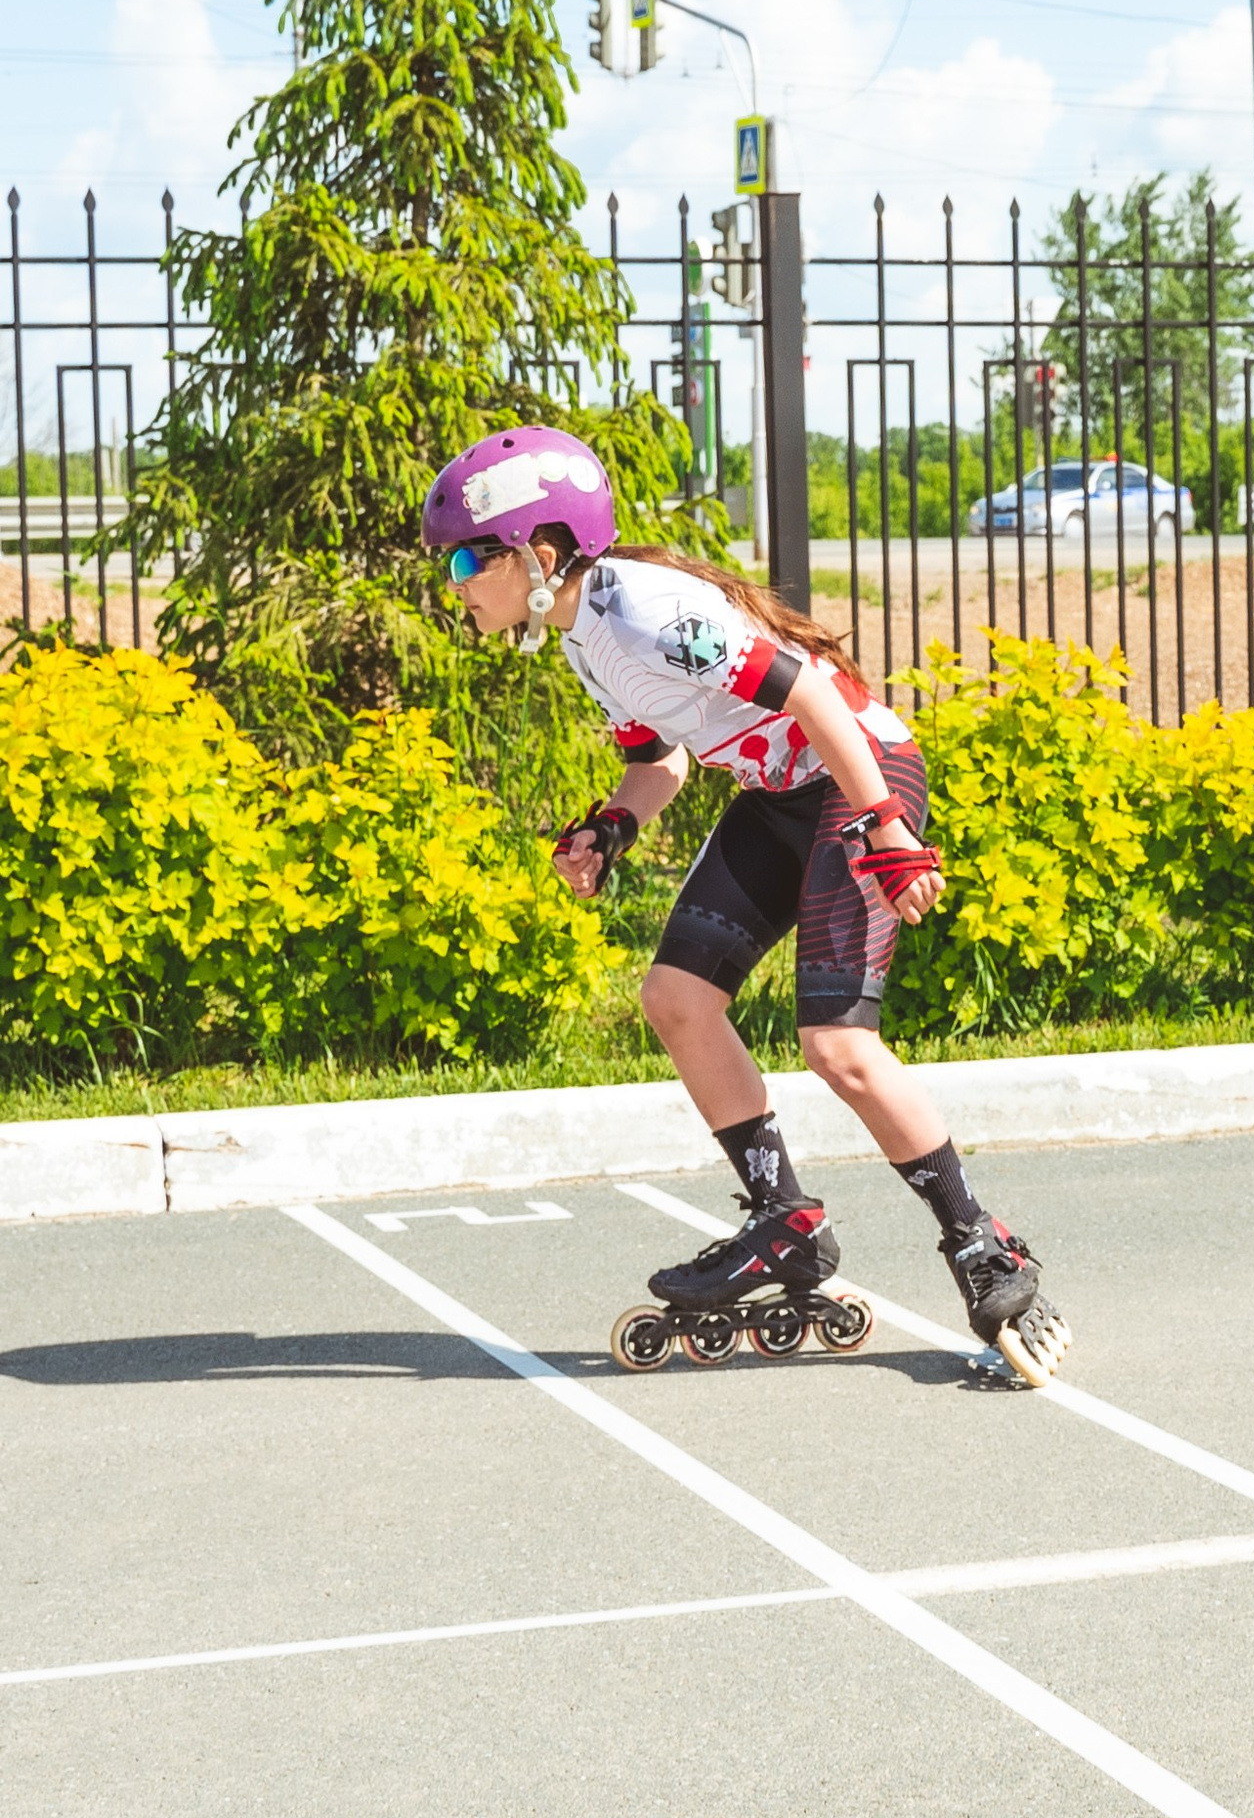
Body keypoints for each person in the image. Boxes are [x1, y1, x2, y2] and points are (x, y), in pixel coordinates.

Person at [421, 427, 1068, 1382]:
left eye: (472, 557)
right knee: (677, 1000)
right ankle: (785, 1223)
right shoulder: (584, 638)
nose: (458, 582)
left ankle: (982, 1244)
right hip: (780, 794)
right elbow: (660, 759)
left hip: (854, 770)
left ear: (540, 554)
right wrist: (610, 828)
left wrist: (887, 827)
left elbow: (814, 697)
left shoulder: (643, 612)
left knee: (838, 1046)